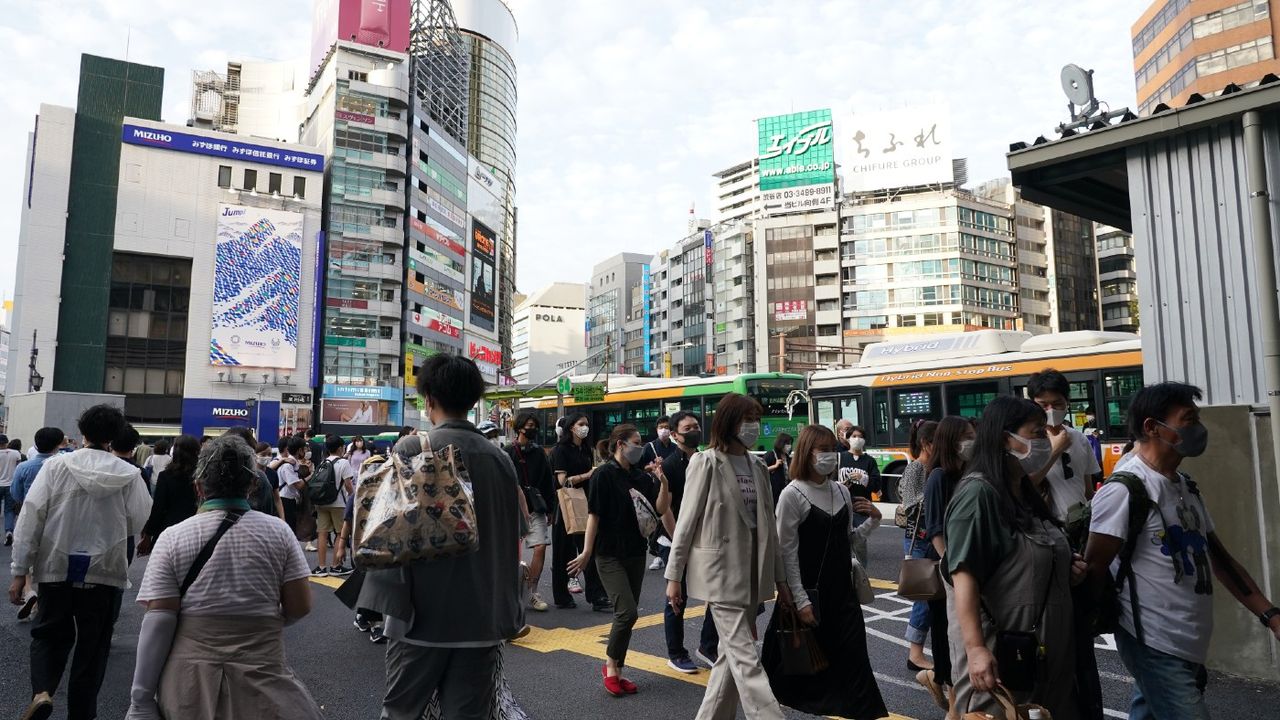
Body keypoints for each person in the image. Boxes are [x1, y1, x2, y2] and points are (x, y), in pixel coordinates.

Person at [1085, 382, 1280, 720]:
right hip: (1151, 640)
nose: (1197, 428)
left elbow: (1218, 558)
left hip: (1188, 639)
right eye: (1188, 419)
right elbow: (1094, 569)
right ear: (1151, 427)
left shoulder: (1184, 485)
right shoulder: (1124, 490)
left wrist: (1269, 614)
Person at [358, 354, 523, 720]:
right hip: (483, 616)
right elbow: (515, 534)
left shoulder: (412, 450)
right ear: (473, 400)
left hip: (419, 617)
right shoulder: (501, 460)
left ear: (428, 399)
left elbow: (382, 533)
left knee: (402, 711)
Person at [124, 435, 321, 720]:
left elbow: (159, 619)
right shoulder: (279, 533)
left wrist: (141, 700)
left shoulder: (174, 537)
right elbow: (300, 606)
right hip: (263, 678)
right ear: (253, 484)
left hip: (190, 684)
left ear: (199, 487)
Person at [8, 404, 152, 720]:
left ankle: (43, 691)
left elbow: (31, 517)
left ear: (81, 433)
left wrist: (20, 571)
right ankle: (82, 714)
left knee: (48, 634)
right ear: (114, 438)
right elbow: (137, 519)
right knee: (94, 647)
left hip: (56, 564)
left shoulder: (56, 467)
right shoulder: (130, 475)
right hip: (105, 570)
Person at [945, 395, 1083, 719]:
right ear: (1007, 438)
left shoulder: (1022, 492)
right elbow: (964, 575)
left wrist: (1067, 566)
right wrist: (976, 649)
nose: (1045, 441)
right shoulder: (978, 495)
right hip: (1003, 658)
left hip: (1042, 655)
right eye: (1037, 433)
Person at [665, 393, 790, 720]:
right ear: (729, 423)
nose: (754, 426)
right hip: (719, 575)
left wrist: (780, 579)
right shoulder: (704, 462)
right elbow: (686, 522)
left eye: (756, 419)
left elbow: (770, 529)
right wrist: (673, 576)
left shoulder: (758, 465)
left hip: (751, 575)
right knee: (747, 660)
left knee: (729, 659)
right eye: (748, 419)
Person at [763, 424, 887, 719]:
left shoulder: (841, 491)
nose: (830, 456)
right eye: (823, 450)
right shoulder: (792, 494)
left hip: (843, 594)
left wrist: (874, 520)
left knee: (856, 663)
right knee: (806, 669)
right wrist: (800, 600)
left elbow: (847, 542)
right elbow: (786, 552)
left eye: (833, 449)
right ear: (807, 453)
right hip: (812, 596)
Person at [569, 424, 670, 696]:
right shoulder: (603, 475)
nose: (641, 446)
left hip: (635, 552)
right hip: (608, 553)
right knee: (627, 612)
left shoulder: (640, 476)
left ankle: (618, 669)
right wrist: (587, 552)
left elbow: (659, 510)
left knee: (626, 615)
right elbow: (594, 516)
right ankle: (611, 666)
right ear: (620, 445)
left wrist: (663, 482)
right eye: (636, 442)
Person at [917, 416, 975, 710]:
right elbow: (935, 528)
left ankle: (940, 681)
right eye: (966, 435)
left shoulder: (968, 473)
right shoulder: (939, 476)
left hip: (960, 564)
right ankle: (952, 694)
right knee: (945, 630)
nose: (971, 440)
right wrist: (950, 566)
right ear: (951, 440)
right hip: (946, 566)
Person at [661, 410, 720, 674]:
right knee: (676, 597)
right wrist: (678, 541)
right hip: (676, 539)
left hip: (703, 539)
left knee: (716, 594)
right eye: (688, 428)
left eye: (696, 426)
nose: (694, 431)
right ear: (674, 435)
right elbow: (667, 509)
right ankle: (676, 653)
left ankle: (709, 646)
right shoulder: (671, 465)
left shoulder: (706, 459)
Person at [1027, 369, 1103, 523]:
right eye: (1043, 405)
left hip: (1079, 524)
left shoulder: (1079, 438)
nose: (1051, 411)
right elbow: (1025, 485)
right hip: (1048, 527)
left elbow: (1087, 489)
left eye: (1057, 404)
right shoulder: (1027, 441)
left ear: (1067, 402)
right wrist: (1055, 451)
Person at [551, 413, 610, 611]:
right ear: (571, 428)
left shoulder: (585, 448)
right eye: (581, 424)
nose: (585, 427)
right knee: (563, 553)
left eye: (586, 424)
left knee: (589, 550)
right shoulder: (561, 450)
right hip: (566, 505)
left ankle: (597, 595)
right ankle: (562, 595)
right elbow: (563, 482)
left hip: (585, 502)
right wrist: (588, 474)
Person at [9, 427, 68, 622]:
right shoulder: (64, 466)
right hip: (57, 519)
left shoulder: (24, 467)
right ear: (59, 443)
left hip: (29, 515)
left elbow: (15, 494)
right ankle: (40, 597)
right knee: (50, 557)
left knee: (28, 551)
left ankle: (29, 590)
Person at [898, 419, 938, 673]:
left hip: (931, 537)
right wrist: (935, 493)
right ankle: (915, 653)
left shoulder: (935, 467)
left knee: (932, 597)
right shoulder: (916, 468)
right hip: (919, 538)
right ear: (926, 443)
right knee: (923, 597)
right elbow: (910, 504)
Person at [507, 412, 555, 613]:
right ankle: (510, 593)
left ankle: (532, 591)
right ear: (519, 428)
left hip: (535, 507)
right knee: (510, 553)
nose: (532, 429)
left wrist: (551, 508)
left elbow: (547, 481)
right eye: (529, 425)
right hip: (512, 508)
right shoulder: (508, 452)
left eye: (535, 425)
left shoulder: (539, 453)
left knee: (541, 546)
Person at [137, 435, 202, 556]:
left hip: (169, 529)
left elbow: (158, 508)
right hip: (197, 529)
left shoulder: (166, 476)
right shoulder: (203, 476)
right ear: (197, 452)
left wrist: (148, 535)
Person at [839, 425, 881, 567]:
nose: (857, 439)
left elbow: (876, 485)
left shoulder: (869, 461)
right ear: (848, 439)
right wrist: (841, 485)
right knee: (841, 543)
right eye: (854, 436)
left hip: (861, 508)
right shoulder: (840, 458)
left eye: (860, 436)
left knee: (860, 544)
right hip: (842, 507)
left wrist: (864, 479)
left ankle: (860, 576)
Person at [313, 434, 355, 577]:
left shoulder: (323, 462)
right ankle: (336, 566)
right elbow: (348, 485)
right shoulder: (343, 463)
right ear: (339, 448)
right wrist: (352, 496)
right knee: (339, 534)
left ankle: (321, 567)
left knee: (322, 534)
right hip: (338, 503)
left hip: (322, 502)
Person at [1, 432, 25, 546]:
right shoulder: (15, 453)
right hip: (10, 484)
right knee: (9, 510)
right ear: (6, 443)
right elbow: (18, 467)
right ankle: (9, 531)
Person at [762, 432, 793, 505]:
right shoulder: (770, 455)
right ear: (781, 443)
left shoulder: (787, 457)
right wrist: (774, 466)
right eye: (787, 443)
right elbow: (761, 470)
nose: (789, 446)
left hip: (786, 491)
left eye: (790, 444)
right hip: (774, 492)